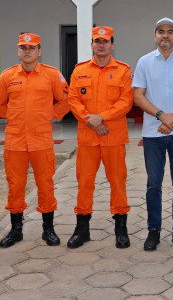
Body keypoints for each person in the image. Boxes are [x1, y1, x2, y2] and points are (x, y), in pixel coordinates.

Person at [0, 33, 71, 248]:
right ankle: (16, 230)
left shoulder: (51, 75)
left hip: (41, 140)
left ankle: (48, 229)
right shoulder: (8, 75)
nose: (27, 51)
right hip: (15, 140)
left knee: (45, 184)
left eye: (32, 47)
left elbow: (66, 100)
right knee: (15, 185)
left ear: (40, 51)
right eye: (23, 47)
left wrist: (50, 115)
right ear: (18, 51)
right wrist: (13, 115)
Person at [132, 17, 173, 251]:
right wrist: (162, 116)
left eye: (170, 32)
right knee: (154, 184)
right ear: (155, 36)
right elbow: (138, 96)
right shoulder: (144, 62)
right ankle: (154, 230)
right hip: (153, 133)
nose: (165, 35)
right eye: (161, 31)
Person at [66, 26, 134, 249]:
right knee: (84, 182)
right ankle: (82, 229)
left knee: (117, 182)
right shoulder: (80, 70)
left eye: (105, 41)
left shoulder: (123, 71)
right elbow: (73, 99)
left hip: (113, 136)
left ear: (112, 45)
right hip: (87, 137)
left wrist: (101, 118)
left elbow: (126, 102)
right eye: (97, 41)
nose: (101, 45)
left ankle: (121, 229)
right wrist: (90, 120)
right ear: (92, 45)